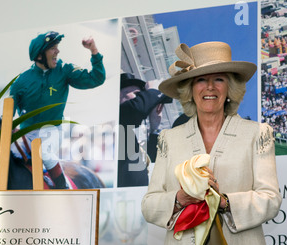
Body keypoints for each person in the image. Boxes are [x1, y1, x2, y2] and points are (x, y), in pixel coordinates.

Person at [141, 41, 282, 245]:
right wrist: (180, 198)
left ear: (230, 87)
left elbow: (269, 199)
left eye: (218, 79)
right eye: (200, 80)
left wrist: (224, 201)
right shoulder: (169, 139)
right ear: (190, 89)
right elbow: (150, 204)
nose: (209, 87)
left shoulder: (257, 134)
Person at [10, 31, 106, 188]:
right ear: (40, 55)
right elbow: (8, 113)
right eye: (53, 48)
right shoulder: (21, 81)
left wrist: (94, 51)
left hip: (52, 130)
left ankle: (64, 189)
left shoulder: (64, 70)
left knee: (45, 153)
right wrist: (10, 127)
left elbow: (97, 78)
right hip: (26, 134)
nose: (57, 51)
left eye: (57, 47)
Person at [118, 72, 171, 187]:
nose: (141, 97)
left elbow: (151, 162)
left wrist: (154, 128)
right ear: (118, 96)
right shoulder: (117, 120)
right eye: (137, 94)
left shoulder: (130, 133)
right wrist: (154, 91)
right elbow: (135, 110)